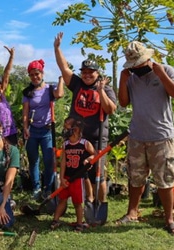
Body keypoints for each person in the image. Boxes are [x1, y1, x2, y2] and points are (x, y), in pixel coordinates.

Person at [117, 41, 174, 236]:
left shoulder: (167, 70)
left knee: (165, 179)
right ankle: (132, 213)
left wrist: (161, 74)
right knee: (135, 177)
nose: (135, 69)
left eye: (138, 64)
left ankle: (169, 219)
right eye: (132, 66)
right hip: (137, 135)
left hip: (161, 137)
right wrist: (122, 79)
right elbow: (123, 102)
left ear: (147, 59)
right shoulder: (131, 77)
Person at [54, 32, 117, 206]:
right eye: (85, 72)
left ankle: (101, 202)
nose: (87, 75)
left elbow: (110, 109)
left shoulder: (106, 88)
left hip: (97, 138)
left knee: (98, 172)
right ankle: (88, 200)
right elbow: (65, 69)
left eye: (91, 72)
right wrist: (57, 48)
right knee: (80, 170)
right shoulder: (77, 84)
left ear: (97, 73)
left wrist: (101, 91)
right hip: (77, 137)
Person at [22, 59, 64, 201]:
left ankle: (48, 188)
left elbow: (59, 94)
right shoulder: (27, 92)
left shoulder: (50, 89)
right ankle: (36, 188)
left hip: (47, 130)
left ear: (42, 73)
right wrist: (25, 128)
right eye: (32, 74)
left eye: (37, 74)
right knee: (33, 160)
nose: (35, 77)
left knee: (49, 160)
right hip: (32, 130)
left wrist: (61, 79)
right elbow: (25, 113)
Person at [50, 117, 95, 232]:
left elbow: (95, 154)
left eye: (67, 128)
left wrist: (89, 159)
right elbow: (64, 162)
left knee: (77, 203)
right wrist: (61, 177)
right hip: (67, 177)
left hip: (78, 178)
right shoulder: (66, 144)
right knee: (62, 200)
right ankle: (56, 220)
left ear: (76, 130)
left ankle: (79, 223)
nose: (65, 130)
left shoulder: (84, 143)